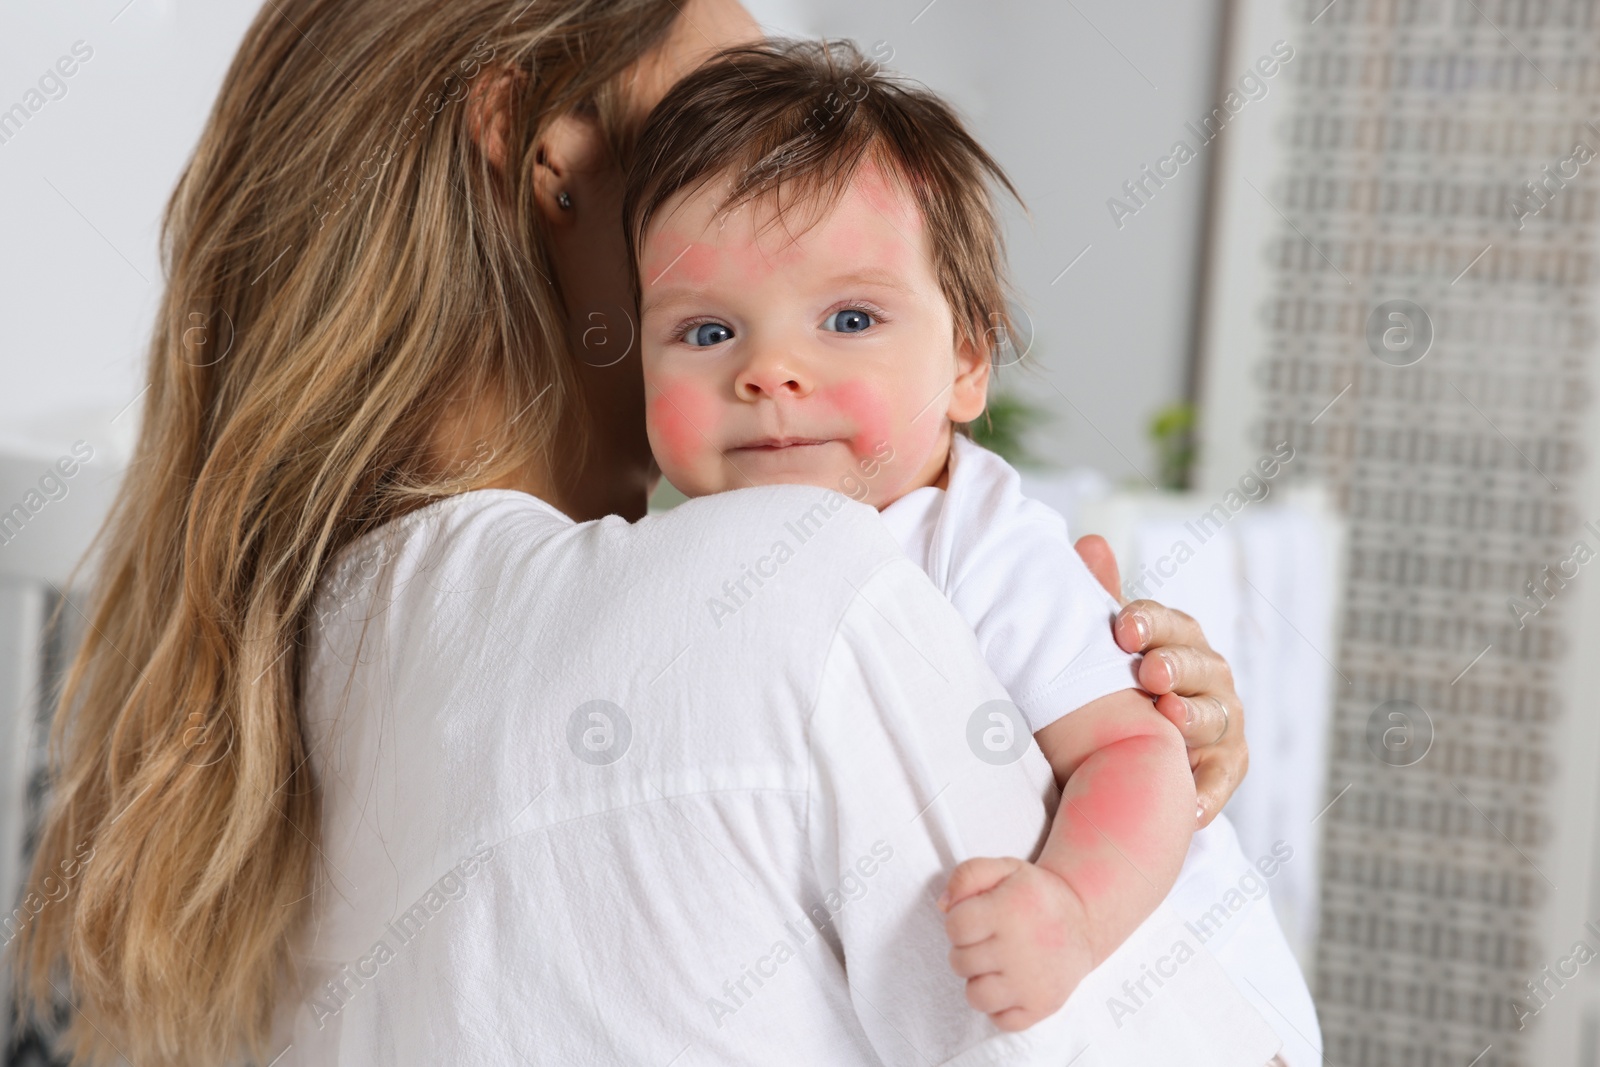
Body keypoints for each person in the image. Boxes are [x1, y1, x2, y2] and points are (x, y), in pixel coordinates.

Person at [8, 1, 1261, 1064]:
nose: (775, 187)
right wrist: (1158, 802)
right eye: (716, 128)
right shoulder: (791, 592)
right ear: (556, 164)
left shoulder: (302, 665)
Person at [625, 38, 1318, 1053]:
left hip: (1194, 1005)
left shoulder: (976, 541)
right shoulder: (672, 566)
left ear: (966, 361)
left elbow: (1136, 753)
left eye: (849, 316)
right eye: (706, 333)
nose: (769, 369)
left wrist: (1072, 909)